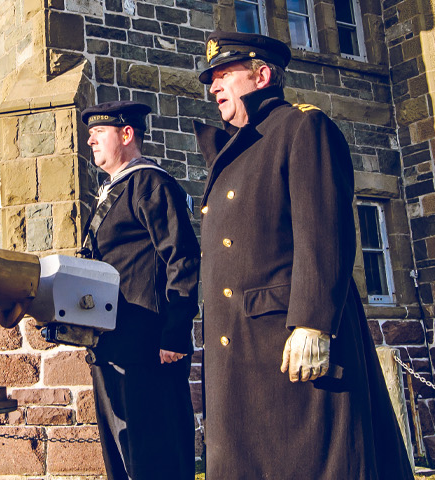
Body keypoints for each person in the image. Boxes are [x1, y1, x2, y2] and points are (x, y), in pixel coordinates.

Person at [190, 32, 412, 479]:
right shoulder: (238, 149)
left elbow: (323, 229)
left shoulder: (301, 128)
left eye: (223, 75)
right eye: (211, 79)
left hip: (288, 344)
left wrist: (312, 322)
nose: (213, 88)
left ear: (263, 75)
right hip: (240, 350)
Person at [76, 100, 201, 480]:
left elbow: (182, 258)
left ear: (126, 134)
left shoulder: (151, 183)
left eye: (99, 134)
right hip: (114, 341)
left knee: (154, 453)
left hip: (150, 345)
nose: (91, 141)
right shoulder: (114, 190)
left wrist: (176, 333)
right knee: (122, 454)